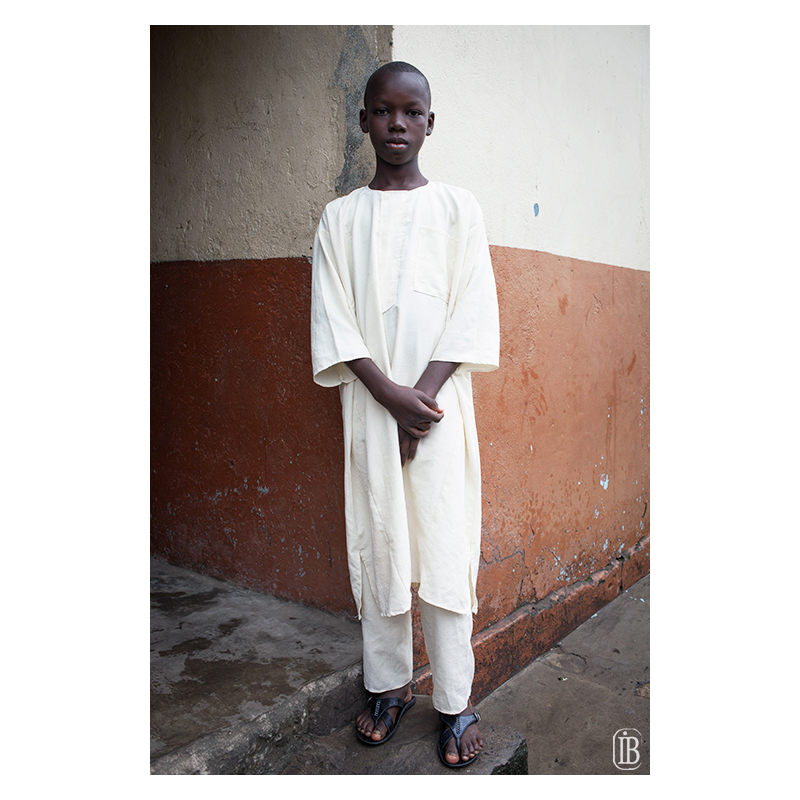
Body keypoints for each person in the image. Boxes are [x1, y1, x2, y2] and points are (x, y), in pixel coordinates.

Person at [310, 61, 499, 768]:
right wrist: (389, 397)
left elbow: (472, 307)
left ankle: (455, 699)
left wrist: (420, 399)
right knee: (381, 539)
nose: (397, 124)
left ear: (429, 123)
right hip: (371, 406)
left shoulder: (458, 208)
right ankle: (389, 685)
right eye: (384, 111)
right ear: (364, 120)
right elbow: (333, 316)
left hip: (439, 410)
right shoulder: (340, 218)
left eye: (412, 112)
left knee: (444, 544)